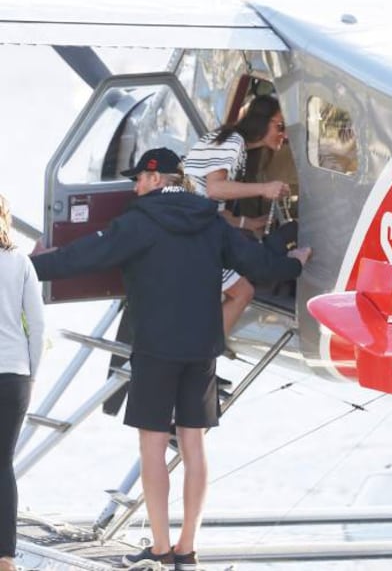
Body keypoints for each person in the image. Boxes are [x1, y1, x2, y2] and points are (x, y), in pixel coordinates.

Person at [30, 148, 311, 571]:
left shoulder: (138, 223)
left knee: (153, 447)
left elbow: (80, 258)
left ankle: (159, 548)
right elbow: (257, 263)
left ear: (156, 178)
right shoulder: (210, 220)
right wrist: (292, 263)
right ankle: (187, 548)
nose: (134, 188)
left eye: (138, 179)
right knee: (194, 445)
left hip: (156, 349)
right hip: (201, 349)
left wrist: (25, 266)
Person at [184, 94, 291, 335]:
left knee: (231, 294)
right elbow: (215, 188)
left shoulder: (237, 147)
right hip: (190, 235)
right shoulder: (232, 142)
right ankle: (203, 355)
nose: (283, 134)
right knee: (242, 292)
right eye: (280, 126)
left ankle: (202, 357)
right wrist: (265, 188)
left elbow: (216, 210)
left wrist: (248, 222)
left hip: (196, 230)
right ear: (261, 122)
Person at [0, 195, 45, 571]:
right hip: (14, 374)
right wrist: (32, 373)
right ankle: (6, 556)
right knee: (3, 464)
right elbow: (38, 325)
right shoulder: (20, 262)